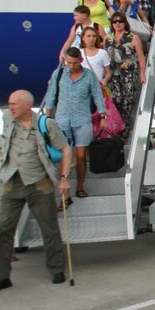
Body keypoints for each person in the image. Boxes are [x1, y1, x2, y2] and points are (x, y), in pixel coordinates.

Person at [0, 90, 72, 293]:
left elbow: (66, 148)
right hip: (12, 182)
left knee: (48, 228)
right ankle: (0, 277)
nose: (10, 107)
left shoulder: (45, 124)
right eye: (9, 104)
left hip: (39, 183)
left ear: (26, 105)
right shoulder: (8, 119)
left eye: (14, 104)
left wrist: (64, 178)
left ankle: (57, 269)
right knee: (4, 229)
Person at [43, 47, 106, 202]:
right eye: (68, 63)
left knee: (80, 155)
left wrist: (103, 116)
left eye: (74, 63)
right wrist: (46, 119)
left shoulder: (89, 76)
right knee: (64, 156)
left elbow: (98, 96)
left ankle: (79, 186)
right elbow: (51, 96)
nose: (71, 66)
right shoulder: (58, 74)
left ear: (81, 61)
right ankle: (65, 192)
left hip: (82, 121)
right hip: (62, 121)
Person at [105, 14, 147, 127]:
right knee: (115, 99)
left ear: (125, 23)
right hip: (113, 74)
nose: (117, 23)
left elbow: (141, 56)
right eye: (115, 21)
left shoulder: (133, 37)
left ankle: (124, 128)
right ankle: (115, 126)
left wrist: (142, 74)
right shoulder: (108, 38)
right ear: (112, 24)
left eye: (120, 21)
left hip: (129, 74)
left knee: (128, 100)